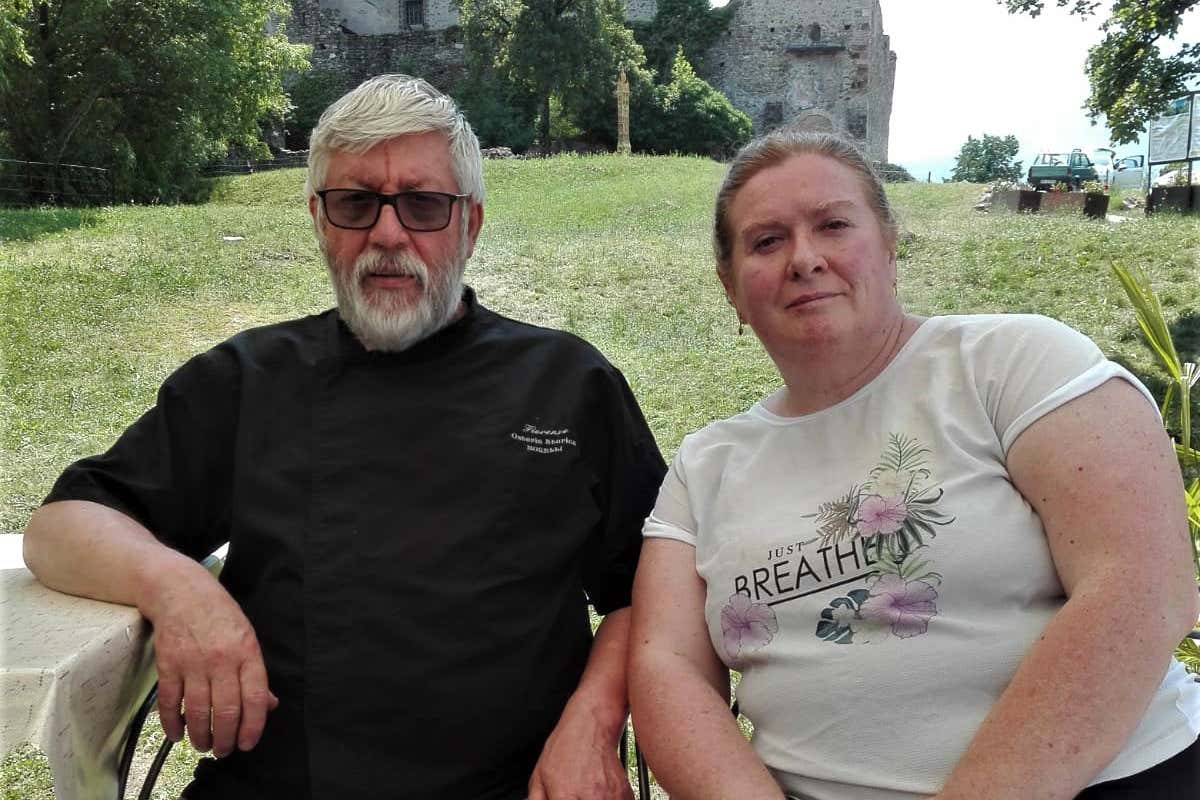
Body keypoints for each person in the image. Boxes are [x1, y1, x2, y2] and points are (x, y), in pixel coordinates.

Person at [23, 74, 665, 800]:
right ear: (319, 220)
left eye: (423, 205)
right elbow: (61, 526)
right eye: (355, 202)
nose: (387, 234)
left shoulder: (568, 382)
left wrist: (591, 720)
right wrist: (179, 589)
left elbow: (650, 589)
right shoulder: (249, 379)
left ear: (470, 225)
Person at [627, 130, 1200, 800]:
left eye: (834, 225)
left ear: (889, 245)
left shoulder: (1014, 364)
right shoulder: (706, 465)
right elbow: (665, 663)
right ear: (731, 289)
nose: (805, 259)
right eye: (766, 241)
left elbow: (1140, 586)